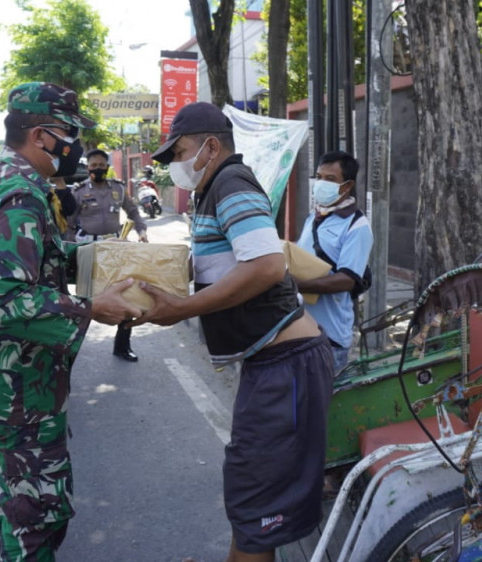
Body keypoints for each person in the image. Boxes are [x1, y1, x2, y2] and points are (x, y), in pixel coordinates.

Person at [139, 102, 335, 562]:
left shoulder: (229, 182)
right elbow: (222, 262)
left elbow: (267, 266)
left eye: (179, 152)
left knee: (256, 501)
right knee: (252, 501)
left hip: (286, 366)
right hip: (270, 363)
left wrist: (183, 308)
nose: (174, 166)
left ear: (210, 146)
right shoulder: (213, 190)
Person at [0, 82, 140, 561]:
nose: (76, 146)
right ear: (40, 135)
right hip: (17, 390)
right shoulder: (21, 193)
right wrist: (92, 308)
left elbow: (35, 261)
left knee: (8, 504)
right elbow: (6, 297)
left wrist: (102, 256)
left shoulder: (1, 177)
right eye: (69, 133)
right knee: (36, 519)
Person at [294, 150, 373, 372]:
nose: (321, 184)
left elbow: (347, 280)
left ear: (346, 186)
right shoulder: (314, 217)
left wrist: (295, 284)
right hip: (300, 330)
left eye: (330, 179)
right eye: (319, 177)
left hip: (329, 339)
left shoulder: (357, 226)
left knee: (323, 405)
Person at [68, 148, 148, 362]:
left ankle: (122, 346)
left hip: (115, 249)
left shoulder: (119, 189)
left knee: (125, 294)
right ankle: (71, 348)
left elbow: (133, 213)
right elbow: (68, 224)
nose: (97, 169)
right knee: (85, 298)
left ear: (107, 167)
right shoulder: (78, 191)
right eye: (93, 166)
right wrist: (68, 250)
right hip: (87, 249)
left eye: (101, 166)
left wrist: (141, 231)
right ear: (88, 168)